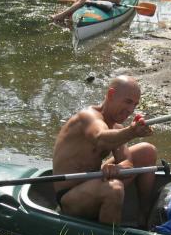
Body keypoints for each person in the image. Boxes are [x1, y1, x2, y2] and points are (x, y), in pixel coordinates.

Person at [52, 75, 157, 226]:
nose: (131, 110)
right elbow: (100, 138)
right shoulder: (88, 117)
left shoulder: (116, 127)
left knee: (147, 151)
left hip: (94, 182)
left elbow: (128, 163)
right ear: (111, 94)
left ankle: (144, 219)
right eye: (128, 102)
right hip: (70, 197)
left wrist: (118, 168)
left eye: (135, 104)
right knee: (114, 189)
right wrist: (132, 132)